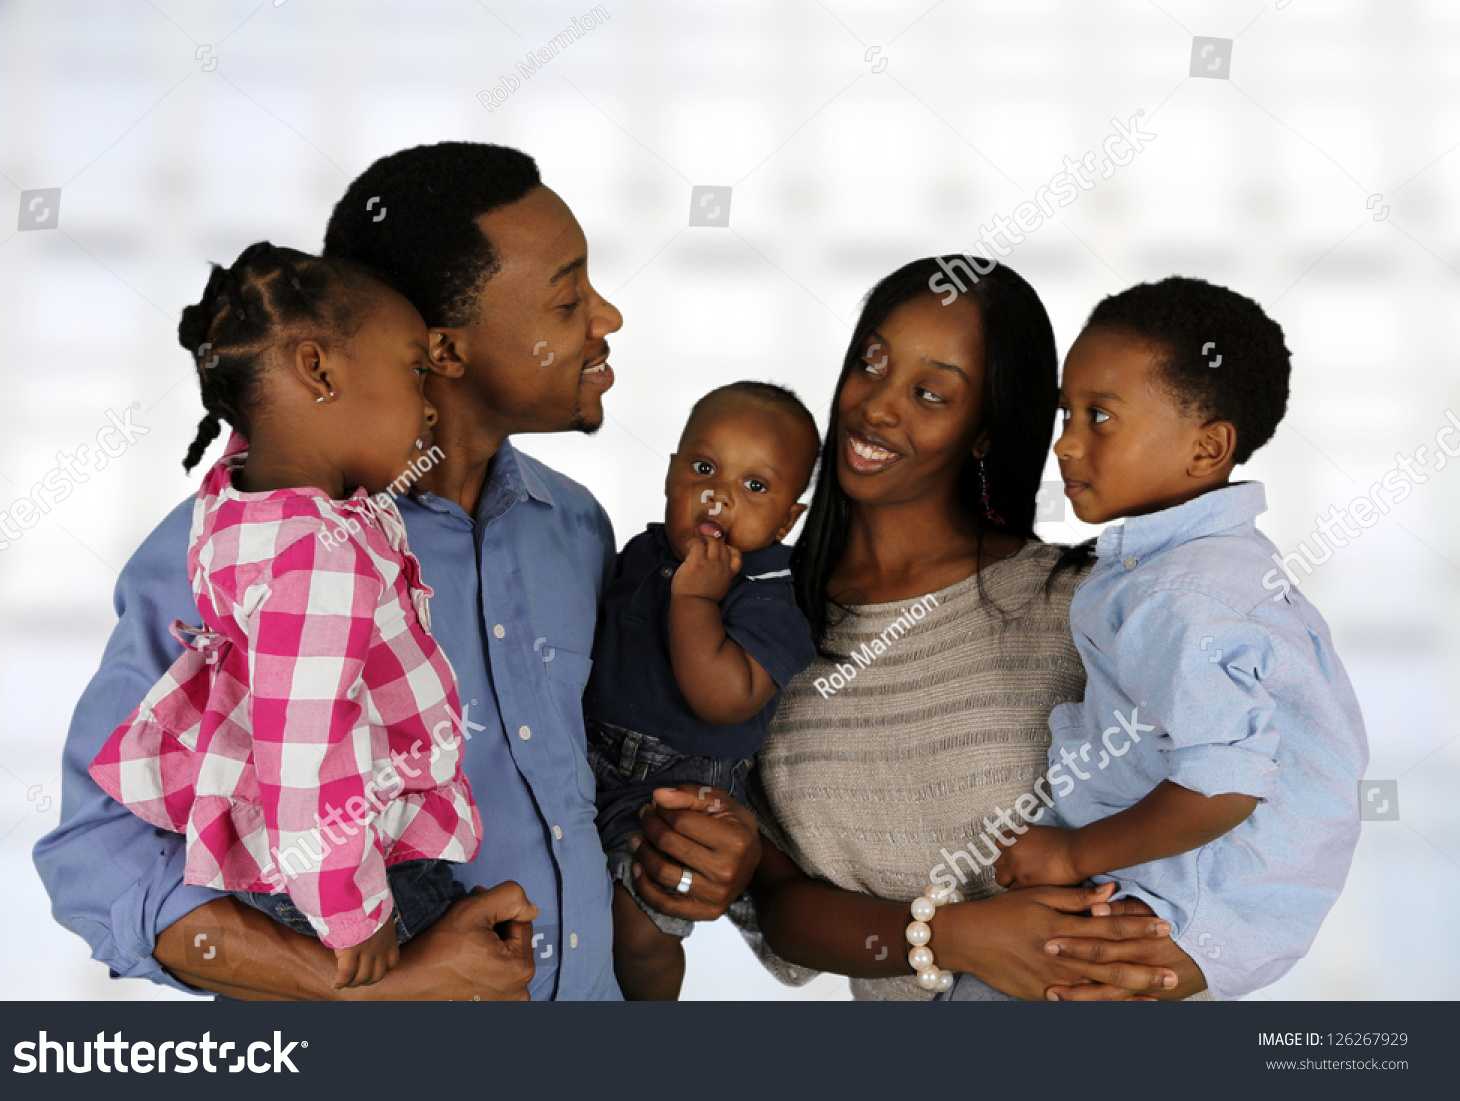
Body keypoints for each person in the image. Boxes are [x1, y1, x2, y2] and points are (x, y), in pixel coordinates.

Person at [34, 142, 761, 1001]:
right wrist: (368, 989)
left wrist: (691, 843)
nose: (607, 317)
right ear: (443, 352)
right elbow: (97, 859)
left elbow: (597, 772)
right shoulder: (239, 552)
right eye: (568, 298)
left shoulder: (575, 528)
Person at [731, 256, 1209, 1001]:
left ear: (984, 430)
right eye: (871, 363)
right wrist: (952, 934)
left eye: (929, 392)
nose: (878, 407)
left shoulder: (1087, 604)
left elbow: (1239, 784)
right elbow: (782, 906)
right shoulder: (758, 625)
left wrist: (1201, 959)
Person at [90, 242, 483, 991]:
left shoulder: (247, 492)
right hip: (351, 871)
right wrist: (353, 908)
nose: (430, 403)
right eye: (413, 369)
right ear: (319, 370)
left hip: (294, 865)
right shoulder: (317, 558)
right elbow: (306, 756)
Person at [979, 276, 1368, 1001]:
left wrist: (1070, 852)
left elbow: (1222, 784)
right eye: (1067, 411)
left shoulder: (1178, 599)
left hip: (1179, 904)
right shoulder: (1221, 565)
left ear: (1207, 447)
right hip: (1224, 907)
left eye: (1100, 417)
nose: (1063, 444)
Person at [584, 382, 821, 999]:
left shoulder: (769, 596)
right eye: (705, 468)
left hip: (675, 788)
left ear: (789, 518)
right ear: (670, 474)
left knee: (639, 926)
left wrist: (695, 600)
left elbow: (723, 698)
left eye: (756, 486)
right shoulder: (644, 551)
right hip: (590, 756)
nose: (719, 495)